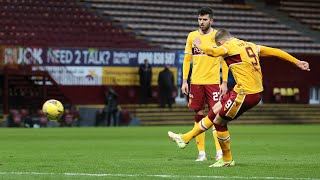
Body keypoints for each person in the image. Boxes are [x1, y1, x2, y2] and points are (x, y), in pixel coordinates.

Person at [168, 29, 310, 167]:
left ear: (221, 41)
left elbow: (212, 52)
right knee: (216, 109)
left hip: (245, 94)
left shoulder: (228, 47)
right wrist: (296, 62)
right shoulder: (249, 45)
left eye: (219, 45)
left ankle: (227, 160)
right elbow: (275, 51)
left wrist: (199, 45)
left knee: (219, 122)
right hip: (243, 90)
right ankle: (184, 138)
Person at [181, 7, 229, 161]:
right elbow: (187, 60)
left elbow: (225, 61)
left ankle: (220, 152)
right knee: (198, 116)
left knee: (216, 117)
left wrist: (225, 82)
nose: (201, 22)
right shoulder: (191, 36)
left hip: (213, 83)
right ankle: (201, 153)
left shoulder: (217, 36)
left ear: (211, 21)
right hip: (195, 82)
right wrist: (184, 81)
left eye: (204, 19)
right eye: (199, 19)